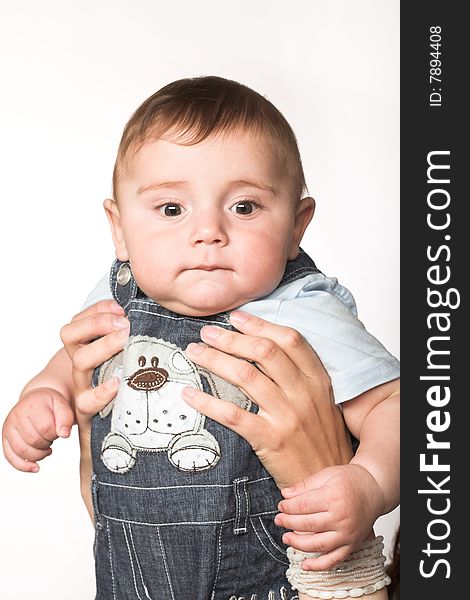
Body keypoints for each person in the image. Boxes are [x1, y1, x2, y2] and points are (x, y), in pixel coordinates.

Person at [2, 76, 399, 599]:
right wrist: (43, 394)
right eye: (172, 209)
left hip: (260, 578)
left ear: (297, 227)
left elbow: (394, 404)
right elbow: (74, 356)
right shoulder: (121, 291)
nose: (208, 230)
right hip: (127, 573)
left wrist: (369, 482)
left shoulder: (302, 311)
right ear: (119, 230)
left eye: (245, 207)